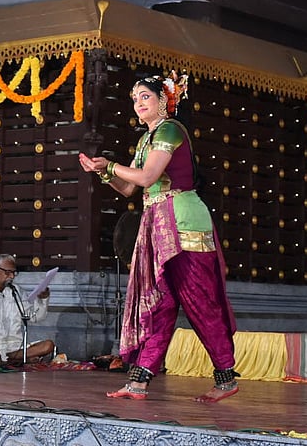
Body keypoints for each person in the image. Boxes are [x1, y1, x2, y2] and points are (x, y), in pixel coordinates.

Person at [78, 71, 238, 403]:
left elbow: (149, 175)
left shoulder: (170, 129)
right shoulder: (145, 140)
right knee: (159, 306)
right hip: (157, 224)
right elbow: (128, 187)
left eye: (145, 97)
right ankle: (138, 381)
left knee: (199, 304)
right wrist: (103, 172)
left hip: (183, 223)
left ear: (164, 100)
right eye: (135, 98)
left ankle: (225, 378)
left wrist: (111, 164)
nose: (138, 103)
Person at [0, 254, 54, 365]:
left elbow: (34, 317)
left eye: (14, 273)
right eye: (8, 272)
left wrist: (42, 300)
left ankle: (10, 358)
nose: (12, 277)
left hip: (16, 348)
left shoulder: (17, 291)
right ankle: (16, 359)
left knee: (48, 345)